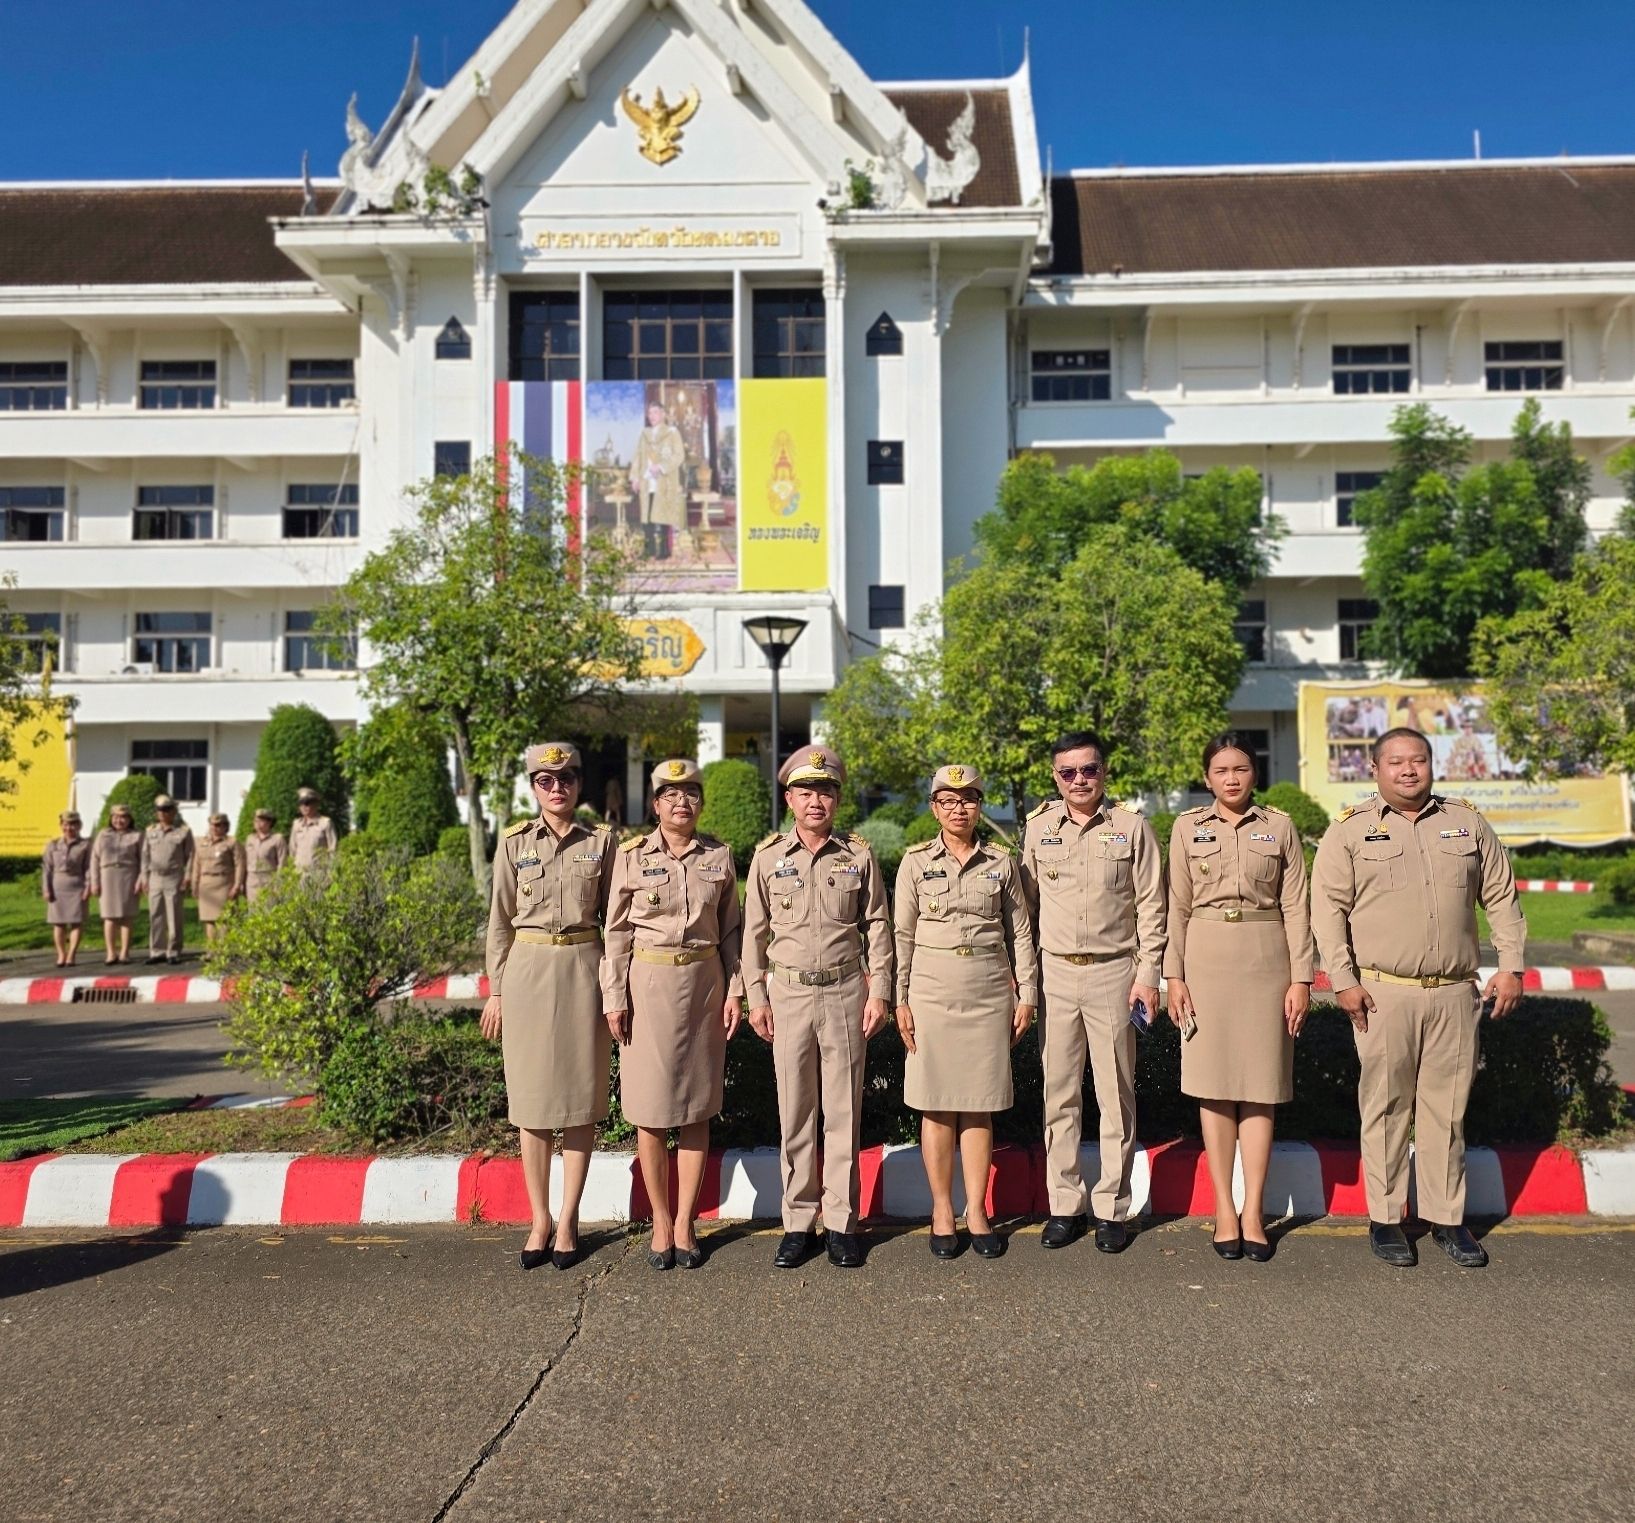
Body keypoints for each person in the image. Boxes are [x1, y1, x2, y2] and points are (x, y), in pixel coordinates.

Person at [1310, 726, 1526, 1270]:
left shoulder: (1466, 822)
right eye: (1397, 762)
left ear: (1432, 765)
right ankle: (1386, 1219)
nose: (1409, 770)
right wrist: (1343, 980)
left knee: (1446, 1112)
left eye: (1419, 761)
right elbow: (1328, 911)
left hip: (1454, 993)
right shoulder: (1351, 831)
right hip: (1384, 993)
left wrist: (1512, 966)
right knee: (1384, 1108)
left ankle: (1447, 1219)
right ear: (1375, 770)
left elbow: (1500, 894)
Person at [1164, 734, 1316, 1262]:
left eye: (1242, 769)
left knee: (1259, 1086)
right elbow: (1176, 906)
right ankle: (1223, 1210)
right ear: (1207, 778)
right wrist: (1173, 976)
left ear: (1255, 774)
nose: (1232, 778)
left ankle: (1253, 1210)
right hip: (1205, 958)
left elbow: (1298, 905)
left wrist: (1302, 978)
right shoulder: (1187, 828)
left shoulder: (1279, 826)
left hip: (1265, 959)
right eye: (1221, 770)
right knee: (1214, 1086)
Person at [742, 744, 893, 1270]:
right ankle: (798, 1222)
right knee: (796, 1111)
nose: (816, 800)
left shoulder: (858, 855)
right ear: (789, 797)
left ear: (836, 798)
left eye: (825, 791)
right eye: (806, 791)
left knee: (843, 1113)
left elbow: (877, 924)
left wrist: (880, 991)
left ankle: (842, 1222)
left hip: (845, 992)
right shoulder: (768, 857)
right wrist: (755, 996)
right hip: (787, 995)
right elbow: (753, 933)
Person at [1020, 730, 1165, 1254]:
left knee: (1115, 1095)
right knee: (1058, 1092)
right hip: (1056, 974)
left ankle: (1111, 1206)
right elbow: (1027, 912)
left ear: (1104, 772)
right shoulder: (1038, 830)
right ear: (1055, 777)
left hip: (1113, 973)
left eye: (1089, 770)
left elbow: (1152, 905)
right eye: (1068, 773)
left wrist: (1148, 975)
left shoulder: (1131, 827)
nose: (1079, 780)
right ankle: (1064, 1204)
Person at [601, 758, 743, 1270]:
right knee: (652, 1108)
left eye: (691, 794)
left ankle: (686, 1221)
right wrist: (614, 995)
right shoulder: (633, 856)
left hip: (704, 984)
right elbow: (616, 933)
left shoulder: (719, 856)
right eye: (670, 795)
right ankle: (660, 1219)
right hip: (649, 985)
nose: (681, 802)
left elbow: (731, 930)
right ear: (656, 804)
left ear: (700, 803)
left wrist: (736, 989)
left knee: (697, 1106)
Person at [481, 743, 616, 1272]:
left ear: (579, 785)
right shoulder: (515, 843)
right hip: (530, 969)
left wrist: (616, 986)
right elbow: (499, 920)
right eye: (545, 780)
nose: (557, 788)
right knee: (533, 1104)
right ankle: (538, 1218)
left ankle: (568, 1219)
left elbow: (618, 918)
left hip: (584, 964)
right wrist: (495, 989)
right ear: (533, 786)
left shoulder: (603, 843)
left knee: (581, 1098)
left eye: (566, 779)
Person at [893, 765, 1037, 1260]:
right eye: (948, 800)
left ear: (980, 804)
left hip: (987, 991)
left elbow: (1021, 933)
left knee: (979, 1105)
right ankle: (940, 1210)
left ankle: (976, 1210)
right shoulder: (914, 863)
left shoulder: (1000, 862)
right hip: (931, 993)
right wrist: (901, 998)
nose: (959, 808)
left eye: (969, 799)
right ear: (934, 807)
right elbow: (902, 937)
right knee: (936, 1105)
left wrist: (1028, 994)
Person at [138, 796, 194, 965]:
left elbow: (190, 856)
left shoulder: (183, 832)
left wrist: (188, 875)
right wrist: (144, 877)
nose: (163, 813)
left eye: (167, 810)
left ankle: (174, 951)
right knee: (155, 914)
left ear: (174, 812)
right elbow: (145, 856)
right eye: (160, 810)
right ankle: (157, 951)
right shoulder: (150, 831)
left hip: (173, 876)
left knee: (174, 915)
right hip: (155, 876)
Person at [90, 804, 142, 964]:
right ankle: (111, 953)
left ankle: (125, 953)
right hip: (107, 876)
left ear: (129, 819)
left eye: (123, 817)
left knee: (127, 917)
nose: (119, 820)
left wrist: (141, 879)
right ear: (111, 818)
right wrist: (94, 881)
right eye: (116, 817)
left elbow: (144, 860)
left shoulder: (137, 835)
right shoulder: (103, 835)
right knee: (109, 917)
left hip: (128, 876)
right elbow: (94, 859)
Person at [629, 400, 687, 541]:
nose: (652, 416)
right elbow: (637, 457)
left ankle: (663, 551)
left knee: (662, 518)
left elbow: (679, 455)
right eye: (650, 413)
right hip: (647, 481)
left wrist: (661, 467)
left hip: (664, 482)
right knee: (647, 518)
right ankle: (649, 550)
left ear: (663, 414)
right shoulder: (644, 434)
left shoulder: (672, 433)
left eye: (655, 412)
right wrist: (635, 478)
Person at [42, 811, 92, 967]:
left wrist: (88, 887)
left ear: (79, 826)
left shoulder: (85, 845)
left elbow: (89, 868)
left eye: (72, 824)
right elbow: (47, 869)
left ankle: (71, 955)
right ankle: (61, 954)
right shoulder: (53, 844)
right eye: (65, 824)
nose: (68, 827)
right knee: (58, 923)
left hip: (77, 885)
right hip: (57, 886)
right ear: (61, 825)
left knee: (76, 922)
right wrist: (46, 888)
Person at [191, 813, 246, 942]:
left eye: (218, 825)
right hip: (206, 884)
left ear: (225, 826)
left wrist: (237, 885)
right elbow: (196, 865)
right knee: (208, 919)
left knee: (224, 918)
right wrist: (195, 885)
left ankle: (223, 951)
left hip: (224, 883)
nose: (214, 828)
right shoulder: (202, 843)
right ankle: (212, 950)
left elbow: (239, 864)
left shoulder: (232, 842)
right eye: (212, 825)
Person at [245, 809, 288, 904]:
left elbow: (282, 863)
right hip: (252, 880)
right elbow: (246, 860)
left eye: (260, 821)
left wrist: (278, 883)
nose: (257, 824)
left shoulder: (277, 838)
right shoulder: (250, 839)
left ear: (269, 822)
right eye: (255, 821)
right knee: (253, 911)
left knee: (268, 909)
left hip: (268, 879)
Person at [289, 788, 337, 873]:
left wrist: (330, 872)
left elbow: (333, 849)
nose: (304, 806)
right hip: (299, 873)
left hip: (319, 873)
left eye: (307, 803)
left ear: (316, 804)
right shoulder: (297, 824)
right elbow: (292, 849)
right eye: (301, 803)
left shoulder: (325, 823)